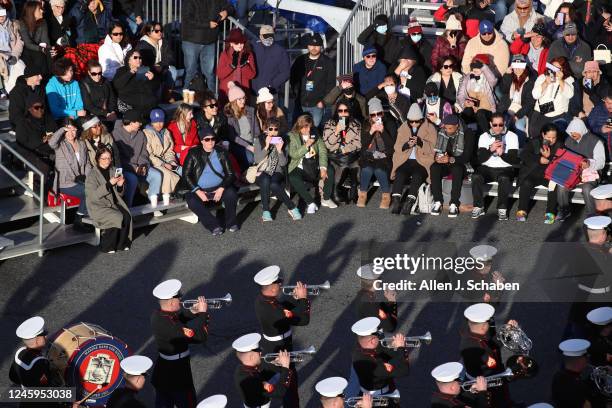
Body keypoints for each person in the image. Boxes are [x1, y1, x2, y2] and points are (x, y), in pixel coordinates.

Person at [253, 265, 310, 407]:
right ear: (272, 288)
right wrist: (303, 299)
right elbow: (303, 320)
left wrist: (294, 298)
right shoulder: (275, 311)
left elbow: (281, 306)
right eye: (278, 282)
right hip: (280, 348)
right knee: (290, 387)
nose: (280, 284)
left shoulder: (262, 300)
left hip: (270, 346)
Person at [150, 279, 210, 408]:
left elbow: (176, 320)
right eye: (178, 298)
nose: (181, 299)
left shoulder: (158, 315)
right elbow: (200, 337)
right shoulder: (173, 327)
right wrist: (203, 314)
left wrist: (193, 311)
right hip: (178, 375)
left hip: (162, 372)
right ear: (171, 302)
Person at [181, 127, 238, 236]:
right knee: (191, 200)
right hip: (200, 189)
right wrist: (198, 191)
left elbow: (230, 174)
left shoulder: (221, 152)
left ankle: (231, 223)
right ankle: (214, 225)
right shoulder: (193, 153)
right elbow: (186, 175)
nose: (211, 141)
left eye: (213, 139)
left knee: (231, 194)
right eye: (207, 139)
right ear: (202, 141)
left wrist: (221, 188)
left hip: (219, 187)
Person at [461, 303, 516, 408]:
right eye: (488, 323)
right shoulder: (480, 348)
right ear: (482, 328)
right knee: (498, 400)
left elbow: (491, 344)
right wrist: (507, 334)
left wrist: (506, 332)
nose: (490, 324)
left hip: (476, 376)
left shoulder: (470, 334)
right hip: (487, 380)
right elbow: (493, 362)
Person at [470, 113, 520, 221]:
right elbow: (481, 159)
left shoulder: (512, 136)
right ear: (490, 124)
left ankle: (502, 208)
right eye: (495, 125)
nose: (498, 127)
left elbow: (514, 160)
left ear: (504, 123)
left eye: (500, 125)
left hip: (505, 168)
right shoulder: (484, 136)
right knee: (476, 176)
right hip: (487, 167)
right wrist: (490, 150)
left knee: (504, 178)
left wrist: (502, 154)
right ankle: (479, 206)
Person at [351, 317, 409, 406]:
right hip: (379, 399)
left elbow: (383, 351)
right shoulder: (373, 365)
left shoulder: (359, 348)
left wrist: (394, 347)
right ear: (372, 341)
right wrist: (401, 348)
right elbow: (403, 370)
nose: (381, 337)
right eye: (379, 336)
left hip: (367, 393)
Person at [391, 103, 437, 215]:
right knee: (400, 172)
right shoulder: (403, 127)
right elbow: (397, 146)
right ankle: (396, 201)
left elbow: (434, 147)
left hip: (422, 160)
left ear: (422, 119)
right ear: (408, 120)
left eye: (417, 121)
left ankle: (409, 202)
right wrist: (406, 145)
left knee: (417, 175)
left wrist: (421, 143)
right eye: (411, 121)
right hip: (405, 159)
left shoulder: (430, 128)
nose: (414, 124)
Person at [85, 146, 132, 253]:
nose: (107, 161)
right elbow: (93, 196)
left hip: (113, 203)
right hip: (98, 206)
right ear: (98, 159)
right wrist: (109, 184)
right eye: (104, 158)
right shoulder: (92, 175)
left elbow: (120, 194)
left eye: (109, 158)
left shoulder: (114, 170)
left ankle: (121, 243)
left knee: (127, 216)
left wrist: (120, 185)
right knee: (116, 217)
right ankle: (107, 246)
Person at [556, 118, 606, 220]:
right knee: (561, 185)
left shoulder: (596, 141)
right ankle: (564, 210)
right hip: (573, 171)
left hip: (591, 172)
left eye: (575, 132)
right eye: (570, 132)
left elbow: (601, 162)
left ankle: (592, 214)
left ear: (581, 130)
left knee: (587, 188)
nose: (572, 134)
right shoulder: (568, 140)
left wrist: (589, 164)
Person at [254, 117, 302, 222]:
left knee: (274, 184)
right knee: (266, 179)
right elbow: (257, 160)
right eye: (270, 129)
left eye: (276, 129)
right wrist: (266, 146)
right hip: (262, 171)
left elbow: (283, 163)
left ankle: (291, 207)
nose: (273, 132)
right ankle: (266, 211)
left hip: (277, 171)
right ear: (265, 129)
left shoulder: (282, 140)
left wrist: (280, 150)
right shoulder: (259, 140)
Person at [112, 110, 162, 208]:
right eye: (139, 122)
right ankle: (128, 208)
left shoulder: (140, 134)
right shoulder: (115, 135)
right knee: (132, 179)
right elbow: (117, 159)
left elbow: (144, 153)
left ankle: (153, 205)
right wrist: (134, 168)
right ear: (131, 123)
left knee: (157, 175)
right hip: (124, 169)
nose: (141, 123)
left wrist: (143, 165)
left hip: (139, 167)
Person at [430, 114, 475, 217]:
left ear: (457, 126)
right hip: (446, 162)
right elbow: (438, 151)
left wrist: (451, 159)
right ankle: (438, 201)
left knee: (457, 169)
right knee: (434, 167)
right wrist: (438, 158)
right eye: (445, 127)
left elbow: (466, 157)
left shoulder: (468, 134)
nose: (447, 130)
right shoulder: (442, 132)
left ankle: (454, 203)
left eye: (450, 128)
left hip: (462, 163)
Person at [516, 123, 562, 223]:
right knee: (526, 183)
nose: (551, 140)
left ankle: (550, 212)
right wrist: (539, 159)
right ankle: (522, 210)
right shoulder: (535, 142)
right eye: (548, 137)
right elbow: (524, 155)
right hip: (533, 172)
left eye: (554, 137)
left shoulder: (559, 144)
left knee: (553, 184)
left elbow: (560, 161)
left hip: (548, 174)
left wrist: (549, 157)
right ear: (543, 135)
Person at [287, 114, 332, 214]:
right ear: (299, 126)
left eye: (309, 126)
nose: (307, 129)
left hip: (314, 164)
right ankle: (311, 202)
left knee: (330, 170)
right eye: (304, 126)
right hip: (300, 164)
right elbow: (294, 155)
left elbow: (323, 151)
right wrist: (306, 145)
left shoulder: (315, 134)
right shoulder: (292, 135)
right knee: (293, 177)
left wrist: (323, 168)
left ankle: (326, 198)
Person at [48, 118, 91, 223]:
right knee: (89, 192)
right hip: (65, 182)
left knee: (95, 189)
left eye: (74, 130)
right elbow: (51, 143)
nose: (71, 133)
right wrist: (63, 129)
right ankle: (79, 219)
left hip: (81, 180)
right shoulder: (60, 144)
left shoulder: (81, 143)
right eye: (68, 130)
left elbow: (87, 163)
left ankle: (90, 218)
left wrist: (89, 178)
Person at [233, 333, 292, 408]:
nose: (261, 353)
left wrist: (274, 363)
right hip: (260, 405)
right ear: (251, 357)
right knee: (285, 378)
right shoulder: (253, 381)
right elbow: (280, 392)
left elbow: (259, 371)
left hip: (254, 398)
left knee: (278, 374)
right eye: (258, 352)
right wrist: (286, 367)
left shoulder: (241, 368)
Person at [180, 0, 229, 92]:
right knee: (190, 70)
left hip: (210, 40)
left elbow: (229, 7)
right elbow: (187, 18)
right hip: (191, 39)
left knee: (209, 72)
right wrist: (207, 24)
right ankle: (185, 96)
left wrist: (227, 12)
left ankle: (212, 97)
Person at [289, 33, 335, 127]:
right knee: (297, 129)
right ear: (308, 46)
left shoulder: (327, 62)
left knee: (314, 129)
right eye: (311, 45)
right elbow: (293, 78)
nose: (314, 48)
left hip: (317, 104)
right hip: (300, 103)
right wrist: (295, 94)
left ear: (321, 47)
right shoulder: (300, 60)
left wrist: (324, 101)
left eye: (317, 45)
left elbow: (331, 83)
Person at [322, 100, 362, 204]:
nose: (343, 113)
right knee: (341, 167)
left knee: (357, 166)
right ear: (336, 112)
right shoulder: (329, 123)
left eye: (346, 111)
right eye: (340, 111)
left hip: (350, 155)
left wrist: (344, 149)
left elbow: (358, 144)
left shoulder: (355, 124)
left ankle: (354, 188)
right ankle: (335, 190)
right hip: (335, 157)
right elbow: (328, 144)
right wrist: (336, 131)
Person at [358, 97, 394, 210]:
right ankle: (362, 194)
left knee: (379, 170)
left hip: (384, 156)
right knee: (367, 169)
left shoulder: (390, 123)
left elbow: (392, 146)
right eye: (373, 115)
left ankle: (386, 196)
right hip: (368, 155)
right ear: (370, 116)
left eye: (379, 113)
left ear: (382, 113)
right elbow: (363, 146)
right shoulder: (366, 124)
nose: (376, 117)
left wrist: (383, 132)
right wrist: (371, 132)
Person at [143, 109, 180, 205]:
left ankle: (168, 198)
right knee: (168, 174)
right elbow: (148, 154)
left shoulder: (166, 132)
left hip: (166, 161)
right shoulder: (147, 133)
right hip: (153, 163)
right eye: (156, 122)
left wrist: (171, 161)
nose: (159, 124)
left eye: (161, 121)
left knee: (181, 171)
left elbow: (169, 150)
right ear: (152, 122)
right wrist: (163, 163)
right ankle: (162, 198)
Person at [530, 58, 575, 136]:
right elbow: (535, 95)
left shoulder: (569, 79)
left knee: (554, 136)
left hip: (558, 114)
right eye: (552, 67)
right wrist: (545, 83)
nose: (554, 71)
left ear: (563, 69)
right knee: (535, 134)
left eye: (557, 68)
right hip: (541, 112)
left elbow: (569, 94)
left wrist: (561, 80)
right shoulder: (542, 77)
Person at [551, 339, 602, 408]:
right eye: (586, 357)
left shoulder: (561, 376)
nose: (587, 359)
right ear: (579, 361)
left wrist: (596, 376)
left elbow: (580, 384)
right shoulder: (571, 385)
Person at [498, 55, 536, 143]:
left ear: (524, 68)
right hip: (508, 107)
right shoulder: (510, 77)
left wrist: (518, 115)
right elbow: (503, 89)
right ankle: (500, 143)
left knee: (519, 126)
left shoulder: (530, 81)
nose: (518, 70)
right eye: (515, 67)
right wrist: (507, 74)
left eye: (520, 67)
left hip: (521, 110)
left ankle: (520, 147)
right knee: (501, 123)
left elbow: (530, 103)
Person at [136, 21, 177, 102]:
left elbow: (170, 57)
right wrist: (155, 67)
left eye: (161, 30)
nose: (160, 33)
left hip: (161, 68)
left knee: (173, 70)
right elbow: (142, 63)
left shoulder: (164, 42)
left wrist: (160, 65)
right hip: (149, 71)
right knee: (156, 99)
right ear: (148, 33)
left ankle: (167, 94)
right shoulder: (143, 45)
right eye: (156, 31)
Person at [457, 54, 498, 133]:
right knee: (467, 111)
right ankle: (470, 133)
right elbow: (461, 95)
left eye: (478, 66)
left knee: (480, 113)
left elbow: (493, 80)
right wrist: (465, 103)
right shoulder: (467, 78)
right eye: (474, 66)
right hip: (473, 107)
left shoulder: (488, 78)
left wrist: (483, 67)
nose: (475, 68)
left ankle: (487, 135)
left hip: (486, 109)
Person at [9, 317, 51, 389]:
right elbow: (45, 386)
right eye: (43, 335)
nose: (46, 337)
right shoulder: (41, 362)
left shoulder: (19, 353)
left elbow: (13, 377)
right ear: (37, 340)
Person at [224, 82, 259, 171]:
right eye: (240, 99)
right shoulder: (229, 115)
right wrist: (248, 146)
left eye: (244, 98)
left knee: (261, 155)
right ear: (233, 101)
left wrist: (256, 143)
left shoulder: (250, 111)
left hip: (252, 143)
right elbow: (233, 137)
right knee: (251, 158)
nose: (243, 101)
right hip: (238, 145)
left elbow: (256, 129)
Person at [112, 49, 158, 114]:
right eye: (135, 58)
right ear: (129, 60)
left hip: (145, 102)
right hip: (128, 104)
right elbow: (117, 85)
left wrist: (152, 79)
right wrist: (130, 73)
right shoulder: (122, 70)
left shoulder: (145, 69)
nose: (138, 60)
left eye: (140, 58)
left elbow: (154, 88)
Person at [355, 264, 398, 333]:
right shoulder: (372, 304)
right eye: (380, 278)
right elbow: (390, 327)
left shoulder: (362, 295)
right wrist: (392, 301)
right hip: (374, 338)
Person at [15, 94, 55, 165]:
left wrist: (52, 137)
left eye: (42, 107)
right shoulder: (23, 123)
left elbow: (55, 131)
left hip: (51, 149)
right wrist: (42, 140)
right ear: (29, 109)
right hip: (33, 154)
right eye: (36, 107)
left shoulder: (48, 118)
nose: (40, 109)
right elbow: (22, 144)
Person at [251, 25, 290, 97]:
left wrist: (272, 85)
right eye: (266, 36)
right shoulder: (253, 48)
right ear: (260, 36)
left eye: (271, 35)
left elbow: (285, 72)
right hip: (254, 92)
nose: (269, 38)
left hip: (271, 93)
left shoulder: (280, 51)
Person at [18, 1, 51, 78]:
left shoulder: (43, 22)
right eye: (39, 9)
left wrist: (49, 49)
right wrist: (41, 49)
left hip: (39, 48)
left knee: (51, 54)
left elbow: (45, 40)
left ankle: (50, 78)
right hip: (27, 50)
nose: (42, 11)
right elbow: (27, 44)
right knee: (39, 57)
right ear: (32, 11)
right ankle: (40, 79)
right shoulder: (22, 23)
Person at [79, 59, 117, 124]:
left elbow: (112, 98)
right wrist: (106, 113)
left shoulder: (105, 81)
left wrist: (112, 111)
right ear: (89, 72)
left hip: (109, 112)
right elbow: (88, 106)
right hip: (94, 115)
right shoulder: (84, 84)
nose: (97, 76)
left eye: (99, 73)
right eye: (94, 74)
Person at [9, 64, 45, 130]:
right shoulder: (16, 92)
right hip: (25, 128)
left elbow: (46, 110)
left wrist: (50, 128)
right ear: (29, 76)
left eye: (41, 75)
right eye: (37, 75)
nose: (41, 77)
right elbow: (16, 115)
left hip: (41, 125)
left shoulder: (41, 89)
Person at [168, 103, 199, 167]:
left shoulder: (193, 124)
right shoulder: (171, 127)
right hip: (177, 152)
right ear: (182, 115)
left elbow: (196, 141)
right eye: (190, 114)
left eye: (192, 113)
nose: (192, 116)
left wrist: (191, 147)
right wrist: (182, 148)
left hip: (190, 151)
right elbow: (170, 145)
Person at [0, 6, 22, 93]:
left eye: (2, 14)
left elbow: (19, 42)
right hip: (1, 57)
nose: (1, 17)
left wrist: (15, 56)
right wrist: (4, 56)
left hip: (12, 54)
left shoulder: (13, 24)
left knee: (20, 69)